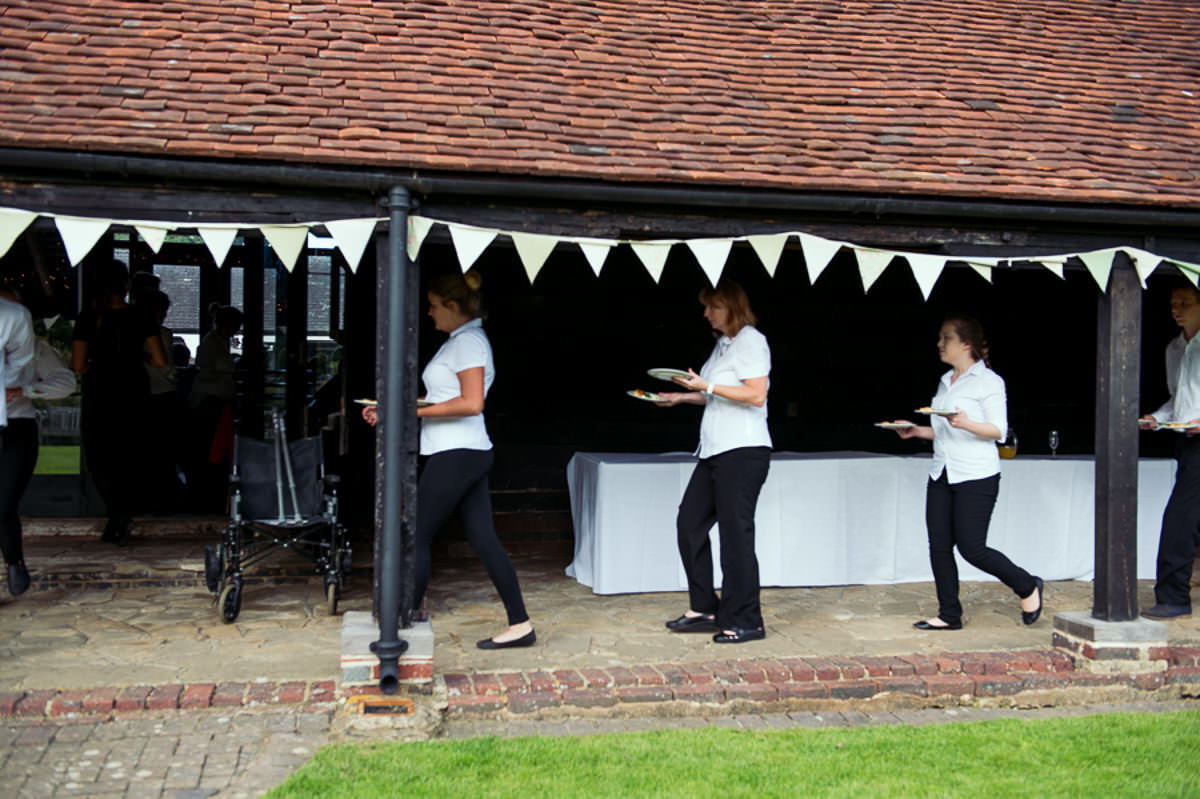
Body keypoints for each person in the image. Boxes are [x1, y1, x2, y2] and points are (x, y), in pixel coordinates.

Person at [362, 269, 535, 649]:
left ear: (453, 306)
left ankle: (401, 623)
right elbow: (443, 398)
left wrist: (405, 412)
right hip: (464, 450)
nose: (429, 313)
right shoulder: (460, 341)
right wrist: (389, 407)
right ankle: (520, 624)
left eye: (433, 306)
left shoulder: (468, 343)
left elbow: (472, 403)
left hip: (458, 452)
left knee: (416, 534)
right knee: (483, 538)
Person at [892, 314, 1042, 630]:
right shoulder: (946, 381)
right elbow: (944, 431)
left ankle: (1027, 585)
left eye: (946, 338)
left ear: (966, 343)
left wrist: (966, 422)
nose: (939, 343)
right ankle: (949, 614)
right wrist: (917, 431)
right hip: (942, 473)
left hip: (976, 475)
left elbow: (998, 430)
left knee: (972, 548)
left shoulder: (989, 381)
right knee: (939, 546)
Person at [655, 279, 772, 644]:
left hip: (743, 451)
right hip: (714, 451)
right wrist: (680, 398)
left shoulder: (752, 341)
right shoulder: (723, 345)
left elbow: (755, 395)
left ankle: (747, 621)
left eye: (713, 307)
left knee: (736, 538)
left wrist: (705, 386)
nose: (706, 314)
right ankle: (705, 607)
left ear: (732, 307)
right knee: (689, 524)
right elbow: (718, 394)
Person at [72, 259, 167, 545]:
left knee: (100, 453)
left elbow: (78, 364)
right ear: (126, 285)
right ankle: (122, 512)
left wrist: (99, 364)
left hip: (100, 388)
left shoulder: (89, 316)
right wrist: (139, 357)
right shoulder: (140, 316)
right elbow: (160, 360)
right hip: (132, 387)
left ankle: (115, 511)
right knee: (130, 451)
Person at [1138, 283, 1200, 619]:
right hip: (1187, 441)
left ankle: (1174, 598)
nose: (1176, 309)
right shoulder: (1174, 348)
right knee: (1186, 518)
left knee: (1180, 519)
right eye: (1173, 303)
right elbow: (1180, 400)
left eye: (1185, 303)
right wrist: (1158, 418)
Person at [2, 322, 76, 595]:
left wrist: (23, 391)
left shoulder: (34, 348)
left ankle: (14, 562)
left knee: (4, 501)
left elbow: (66, 383)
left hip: (17, 428)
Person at [0, 280, 37, 594]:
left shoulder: (14, 316)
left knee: (3, 503)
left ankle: (14, 561)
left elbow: (21, 367)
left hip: (13, 423)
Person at [188, 303, 243, 511]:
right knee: (211, 448)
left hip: (216, 400)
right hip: (210, 402)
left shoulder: (218, 343)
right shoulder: (210, 345)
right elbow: (206, 372)